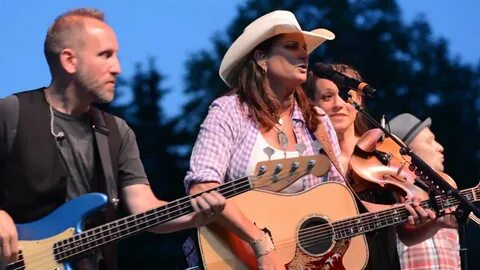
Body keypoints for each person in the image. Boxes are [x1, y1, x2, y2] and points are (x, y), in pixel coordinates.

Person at [0, 8, 225, 270]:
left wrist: (194, 215)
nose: (117, 68)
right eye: (105, 55)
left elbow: (144, 208)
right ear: (69, 60)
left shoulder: (118, 131)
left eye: (116, 56)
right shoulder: (11, 113)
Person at [182, 10, 343, 269]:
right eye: (291, 46)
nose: (304, 55)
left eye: (305, 49)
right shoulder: (229, 111)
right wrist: (260, 243)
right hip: (234, 259)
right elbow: (203, 188)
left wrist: (403, 214)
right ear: (261, 58)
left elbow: (341, 201)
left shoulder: (319, 121)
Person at [304, 63, 446, 269]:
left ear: (360, 100)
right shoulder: (305, 157)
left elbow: (406, 234)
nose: (339, 104)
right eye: (327, 97)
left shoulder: (383, 154)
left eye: (347, 96)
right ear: (311, 104)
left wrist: (436, 224)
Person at [389, 113, 460, 270]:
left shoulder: (446, 200)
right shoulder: (389, 201)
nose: (440, 147)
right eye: (429, 141)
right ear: (405, 153)